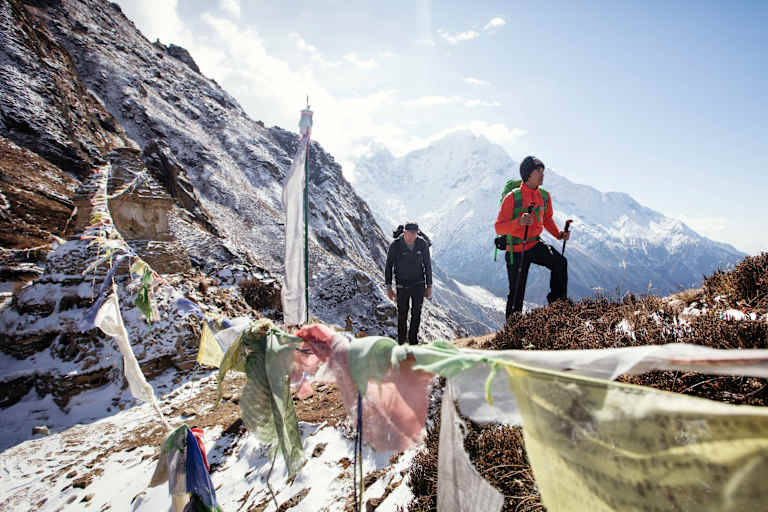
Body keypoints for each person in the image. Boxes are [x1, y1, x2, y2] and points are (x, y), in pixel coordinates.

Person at [495, 156, 570, 318]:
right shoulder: (512, 198)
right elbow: (499, 227)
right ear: (528, 174)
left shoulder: (544, 196)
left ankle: (558, 309)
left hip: (534, 244)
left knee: (560, 263)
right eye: (538, 171)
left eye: (543, 171)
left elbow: (547, 219)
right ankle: (513, 328)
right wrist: (519, 222)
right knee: (517, 292)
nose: (542, 174)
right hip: (516, 249)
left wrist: (559, 235)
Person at [385, 222, 433, 344]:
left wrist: (429, 286)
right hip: (402, 284)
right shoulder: (395, 245)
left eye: (415, 234)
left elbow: (427, 265)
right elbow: (388, 266)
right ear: (404, 232)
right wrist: (389, 287)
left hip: (418, 283)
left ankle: (413, 341)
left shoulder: (422, 244)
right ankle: (401, 342)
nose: (412, 236)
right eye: (410, 233)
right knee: (402, 313)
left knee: (416, 313)